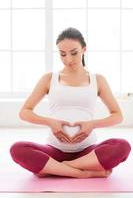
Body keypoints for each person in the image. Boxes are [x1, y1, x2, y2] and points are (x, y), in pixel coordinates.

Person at [10, 27, 131, 179]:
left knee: (122, 146)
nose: (68, 59)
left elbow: (117, 116)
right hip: (55, 150)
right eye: (62, 54)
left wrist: (92, 124)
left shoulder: (97, 80)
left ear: (84, 49)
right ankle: (84, 174)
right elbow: (25, 112)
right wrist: (50, 122)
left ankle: (56, 169)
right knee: (17, 149)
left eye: (74, 53)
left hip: (87, 151)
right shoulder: (49, 79)